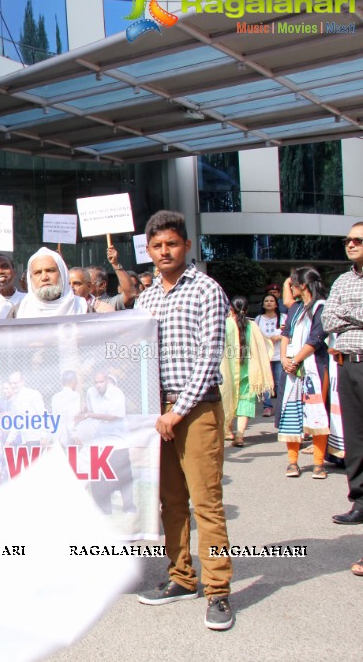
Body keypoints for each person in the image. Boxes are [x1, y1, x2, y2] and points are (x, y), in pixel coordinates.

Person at [134, 210, 234, 631]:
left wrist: (177, 411)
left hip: (196, 411)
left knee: (206, 503)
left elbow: (208, 356)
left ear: (186, 246)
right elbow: (137, 353)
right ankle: (181, 577)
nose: (164, 252)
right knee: (170, 503)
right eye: (156, 246)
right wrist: (151, 411)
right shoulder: (148, 297)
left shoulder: (206, 290)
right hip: (160, 415)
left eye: (171, 244)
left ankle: (219, 592)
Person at [323, 223, 363, 552]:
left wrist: (345, 313)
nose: (350, 244)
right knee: (355, 438)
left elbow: (339, 314)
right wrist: (356, 314)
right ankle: (359, 501)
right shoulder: (342, 280)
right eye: (347, 240)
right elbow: (327, 320)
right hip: (348, 364)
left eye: (358, 240)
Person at [277, 267, 330, 479]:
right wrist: (284, 359)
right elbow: (286, 334)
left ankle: (318, 463)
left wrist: (296, 360)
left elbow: (316, 338)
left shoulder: (321, 307)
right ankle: (292, 462)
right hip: (291, 369)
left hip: (315, 368)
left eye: (293, 284)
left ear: (304, 286)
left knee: (318, 414)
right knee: (292, 413)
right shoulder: (295, 308)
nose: (291, 287)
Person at [77, 369, 136, 515]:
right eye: (96, 382)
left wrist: (90, 414)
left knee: (123, 476)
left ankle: (129, 507)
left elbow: (114, 416)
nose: (98, 385)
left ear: (107, 381)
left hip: (118, 442)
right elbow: (89, 410)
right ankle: (104, 509)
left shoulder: (116, 393)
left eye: (101, 382)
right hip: (99, 441)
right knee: (98, 477)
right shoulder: (90, 392)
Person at [219, 296, 273, 448]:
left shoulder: (225, 324)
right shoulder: (252, 325)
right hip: (249, 368)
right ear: (247, 309)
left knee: (227, 397)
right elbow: (265, 345)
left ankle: (228, 431)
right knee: (246, 399)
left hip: (227, 369)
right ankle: (240, 435)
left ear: (231, 309)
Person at [11, 248, 88, 317]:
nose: (44, 277)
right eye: (38, 272)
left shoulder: (83, 308)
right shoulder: (18, 311)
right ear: (30, 278)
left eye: (50, 271)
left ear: (62, 274)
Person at [254, 291, 287, 422]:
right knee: (267, 382)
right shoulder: (258, 319)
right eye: (266, 301)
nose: (268, 303)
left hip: (280, 354)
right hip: (264, 355)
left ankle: (281, 406)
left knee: (279, 382)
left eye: (271, 301)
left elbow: (289, 332)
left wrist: (280, 336)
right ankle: (267, 406)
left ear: (276, 304)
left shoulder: (284, 317)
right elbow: (254, 336)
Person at [88, 246, 137, 312]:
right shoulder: (77, 305)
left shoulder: (111, 303)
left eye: (88, 284)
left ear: (102, 285)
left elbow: (130, 294)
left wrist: (115, 264)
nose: (73, 288)